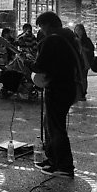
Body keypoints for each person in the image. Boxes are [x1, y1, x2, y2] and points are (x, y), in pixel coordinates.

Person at [30, 12, 79, 178]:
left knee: (55, 127)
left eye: (42, 26)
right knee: (51, 124)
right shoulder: (70, 37)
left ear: (48, 25)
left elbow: (39, 66)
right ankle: (53, 160)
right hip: (68, 86)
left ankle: (64, 166)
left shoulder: (52, 39)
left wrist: (27, 62)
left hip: (57, 88)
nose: (41, 31)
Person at [74, 24, 94, 101]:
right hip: (76, 61)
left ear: (83, 31)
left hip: (84, 61)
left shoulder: (86, 40)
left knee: (83, 78)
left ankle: (83, 93)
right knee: (77, 78)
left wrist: (82, 48)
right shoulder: (74, 39)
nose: (78, 31)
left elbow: (91, 49)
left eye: (79, 29)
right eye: (76, 29)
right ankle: (78, 93)